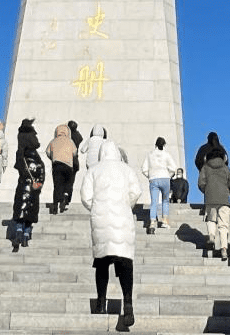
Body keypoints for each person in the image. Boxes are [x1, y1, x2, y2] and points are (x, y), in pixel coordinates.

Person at [79, 140, 141, 331]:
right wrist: (125, 205)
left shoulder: (93, 170)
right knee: (125, 262)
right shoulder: (127, 170)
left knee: (102, 263)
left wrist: (97, 208)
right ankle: (128, 303)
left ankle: (101, 303)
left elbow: (85, 196)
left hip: (101, 219)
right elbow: (136, 192)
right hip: (122, 219)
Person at [10, 119, 45, 251]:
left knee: (21, 210)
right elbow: (41, 171)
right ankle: (26, 234)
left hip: (23, 185)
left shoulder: (20, 154)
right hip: (34, 188)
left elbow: (19, 168)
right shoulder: (36, 157)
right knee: (30, 213)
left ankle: (18, 230)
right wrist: (39, 183)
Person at [197, 144, 230, 260]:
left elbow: (201, 183)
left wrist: (206, 191)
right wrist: (229, 192)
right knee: (223, 225)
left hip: (210, 198)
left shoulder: (205, 167)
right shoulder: (226, 168)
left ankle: (211, 236)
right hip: (224, 199)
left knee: (211, 219)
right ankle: (224, 248)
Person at [141, 137, 177, 233]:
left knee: (154, 202)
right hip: (165, 178)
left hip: (153, 179)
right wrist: (168, 176)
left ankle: (152, 222)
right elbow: (173, 168)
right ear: (164, 145)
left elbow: (144, 168)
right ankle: (164, 221)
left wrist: (150, 176)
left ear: (155, 144)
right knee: (165, 201)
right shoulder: (167, 155)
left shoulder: (150, 155)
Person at [47, 123, 79, 214]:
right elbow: (75, 153)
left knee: (57, 185)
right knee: (67, 183)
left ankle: (55, 205)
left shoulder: (53, 141)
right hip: (68, 165)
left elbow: (48, 152)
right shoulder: (70, 141)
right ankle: (64, 197)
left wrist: (53, 158)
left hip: (57, 165)